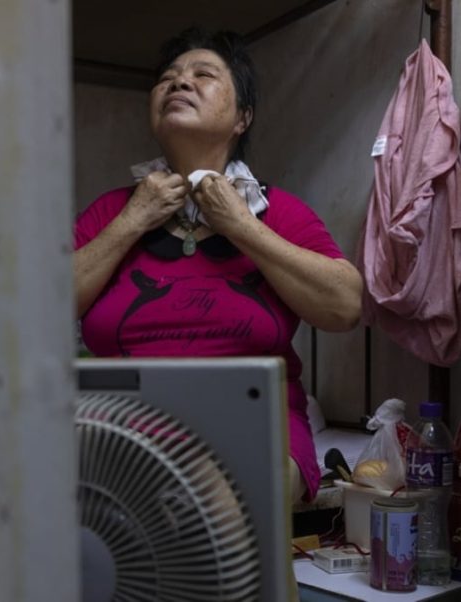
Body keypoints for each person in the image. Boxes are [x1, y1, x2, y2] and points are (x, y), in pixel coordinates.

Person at [73, 28, 363, 502]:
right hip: (119, 430)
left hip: (255, 432)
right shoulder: (110, 214)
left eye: (202, 75)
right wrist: (132, 221)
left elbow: (345, 306)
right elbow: (40, 313)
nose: (178, 83)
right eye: (167, 79)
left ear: (242, 117)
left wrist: (242, 226)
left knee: (208, 496)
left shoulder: (279, 213)